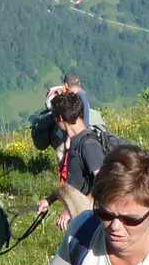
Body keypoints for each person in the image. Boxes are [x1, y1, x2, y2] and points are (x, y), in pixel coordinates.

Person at [37, 92, 103, 230]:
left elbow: (103, 181)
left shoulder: (88, 144)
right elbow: (74, 184)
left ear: (60, 118)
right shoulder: (74, 141)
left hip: (93, 221)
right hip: (81, 219)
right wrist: (48, 200)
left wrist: (73, 209)